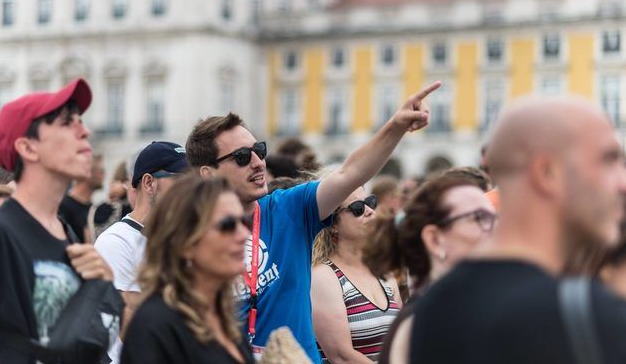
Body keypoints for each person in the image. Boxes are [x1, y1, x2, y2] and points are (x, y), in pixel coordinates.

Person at [185, 81, 441, 362]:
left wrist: (396, 126)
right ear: (208, 174)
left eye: (259, 150)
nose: (258, 163)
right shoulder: (186, 239)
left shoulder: (287, 209)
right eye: (242, 157)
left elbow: (349, 173)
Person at [405, 97, 626, 364]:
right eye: (608, 160)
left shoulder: (433, 308)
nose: (622, 182)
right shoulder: (589, 315)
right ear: (547, 173)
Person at [0, 78, 115, 363]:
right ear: (28, 148)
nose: (85, 131)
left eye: (80, 121)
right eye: (65, 122)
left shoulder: (66, 235)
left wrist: (101, 287)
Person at [361, 173, 496, 363]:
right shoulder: (426, 323)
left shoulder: (463, 306)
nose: (494, 227)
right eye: (478, 218)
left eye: (494, 216)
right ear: (434, 239)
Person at [121, 176, 253, 364]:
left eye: (244, 222)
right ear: (185, 243)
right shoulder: (154, 326)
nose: (244, 235)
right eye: (227, 225)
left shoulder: (223, 316)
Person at [95, 140, 189, 363]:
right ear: (149, 183)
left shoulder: (184, 237)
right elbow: (130, 323)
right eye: (182, 180)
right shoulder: (116, 240)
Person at [311, 186, 401, 363]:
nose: (369, 211)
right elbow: (341, 356)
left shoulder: (383, 270)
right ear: (333, 225)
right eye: (357, 208)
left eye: (370, 203)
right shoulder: (323, 276)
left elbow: (400, 339)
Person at [58, 153, 106, 241]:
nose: (103, 176)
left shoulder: (93, 209)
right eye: (101, 171)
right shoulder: (63, 207)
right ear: (87, 172)